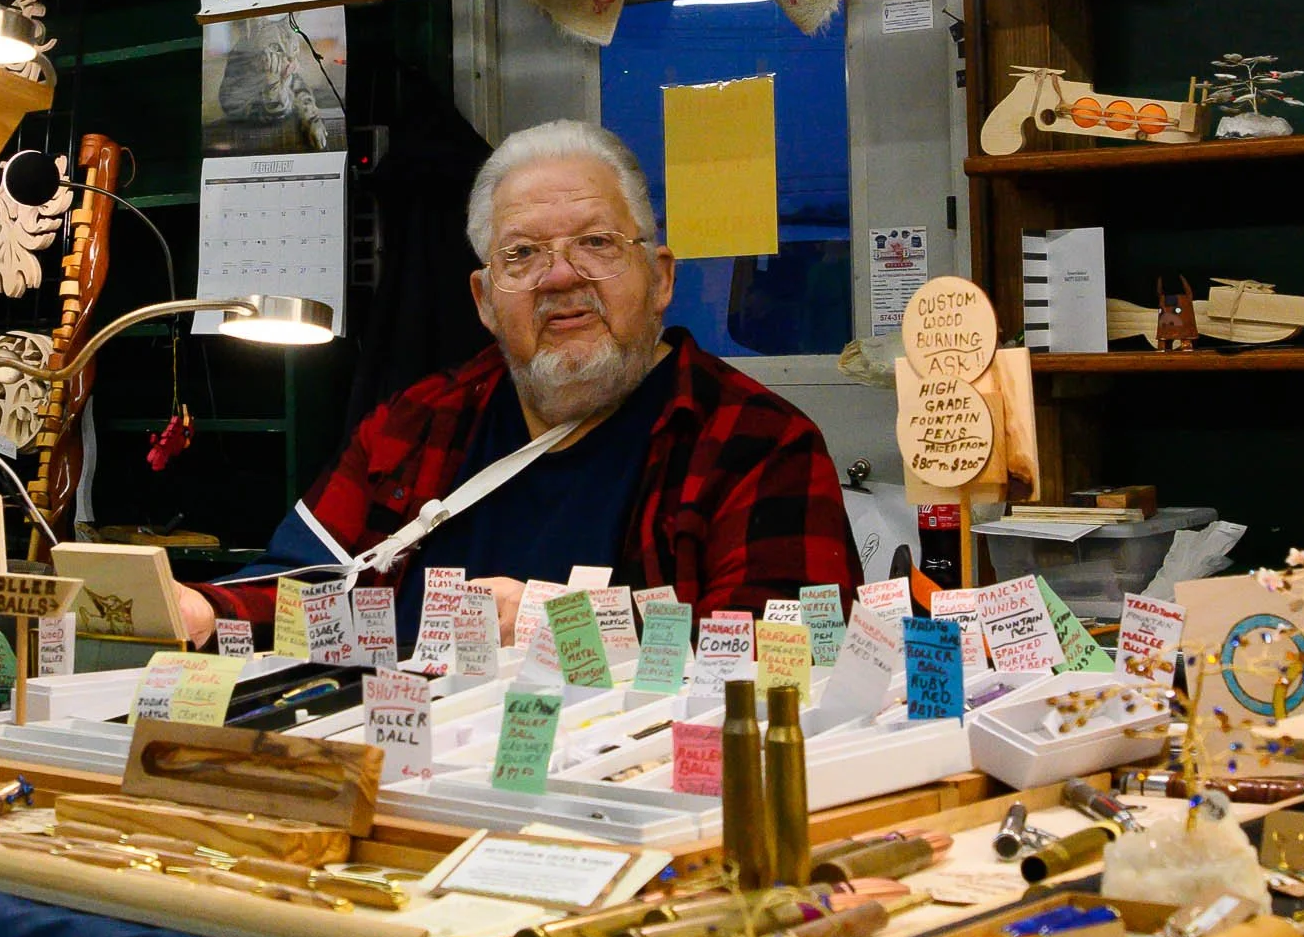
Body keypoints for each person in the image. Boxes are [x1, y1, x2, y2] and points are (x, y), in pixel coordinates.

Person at [180, 119, 861, 648]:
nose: (560, 278)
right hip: (413, 788)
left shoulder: (759, 444)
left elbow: (794, 650)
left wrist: (557, 627)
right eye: (523, 254)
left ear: (662, 279)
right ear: (483, 299)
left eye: (596, 243)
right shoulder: (414, 424)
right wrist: (205, 610)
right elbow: (306, 588)